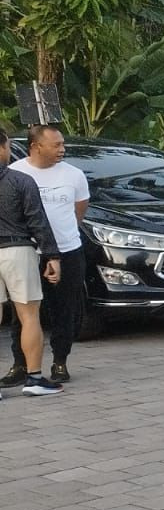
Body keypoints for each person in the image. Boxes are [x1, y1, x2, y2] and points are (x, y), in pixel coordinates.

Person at [5, 124, 87, 385]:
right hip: (27, 252)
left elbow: (79, 211)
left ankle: (60, 361)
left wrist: (61, 239)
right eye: (56, 145)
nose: (62, 149)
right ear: (36, 146)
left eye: (63, 144)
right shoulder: (16, 173)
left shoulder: (74, 175)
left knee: (64, 309)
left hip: (67, 251)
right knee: (23, 312)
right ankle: (21, 364)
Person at [0, 127, 64, 398]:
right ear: (2, 148)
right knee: (28, 315)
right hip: (17, 249)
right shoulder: (20, 180)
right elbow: (38, 221)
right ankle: (34, 379)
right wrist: (52, 256)